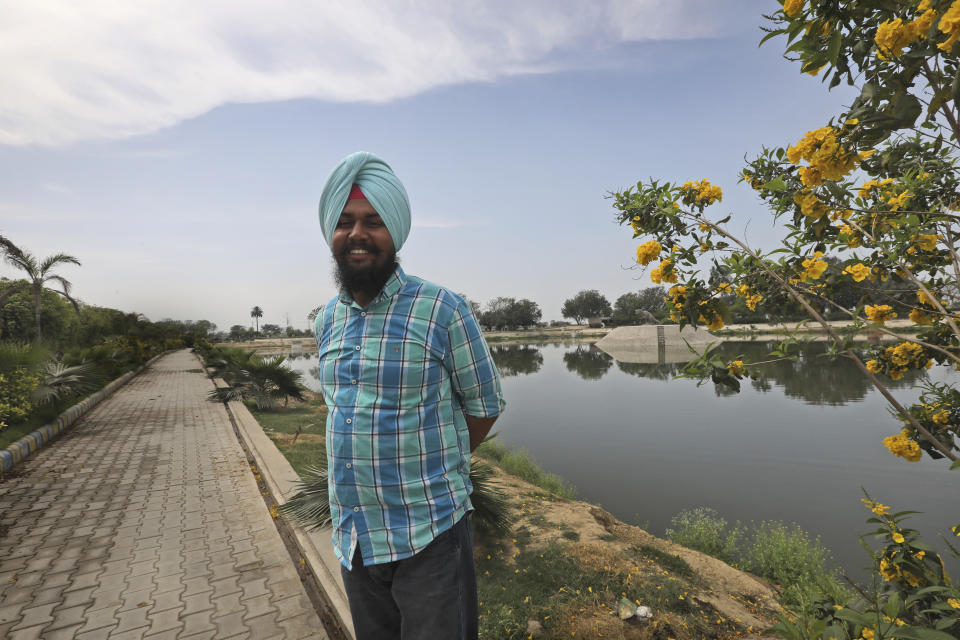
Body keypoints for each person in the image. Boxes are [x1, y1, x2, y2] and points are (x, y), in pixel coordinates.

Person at [314, 151, 505, 640]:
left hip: (430, 535)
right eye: (345, 222)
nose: (357, 234)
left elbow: (483, 406)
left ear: (395, 232)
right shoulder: (326, 320)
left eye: (373, 222)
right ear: (330, 233)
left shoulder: (442, 309)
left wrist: (439, 469)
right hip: (355, 539)